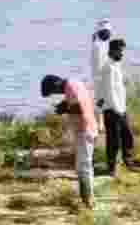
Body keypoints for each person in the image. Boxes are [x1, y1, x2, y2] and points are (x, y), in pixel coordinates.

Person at [41, 74, 97, 208]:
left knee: (84, 167)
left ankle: (88, 200)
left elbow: (80, 106)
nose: (57, 94)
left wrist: (64, 109)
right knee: (82, 166)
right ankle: (86, 198)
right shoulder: (73, 84)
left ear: (56, 84)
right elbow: (79, 101)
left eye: (54, 92)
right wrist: (65, 104)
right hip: (85, 129)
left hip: (85, 130)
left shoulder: (71, 87)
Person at [97, 39, 134, 176]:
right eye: (120, 51)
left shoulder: (116, 65)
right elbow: (108, 90)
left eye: (123, 51)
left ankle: (127, 161)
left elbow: (118, 87)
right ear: (113, 51)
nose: (122, 54)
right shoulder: (108, 67)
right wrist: (117, 109)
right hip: (113, 109)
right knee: (114, 140)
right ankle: (111, 167)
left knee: (127, 136)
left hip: (120, 108)